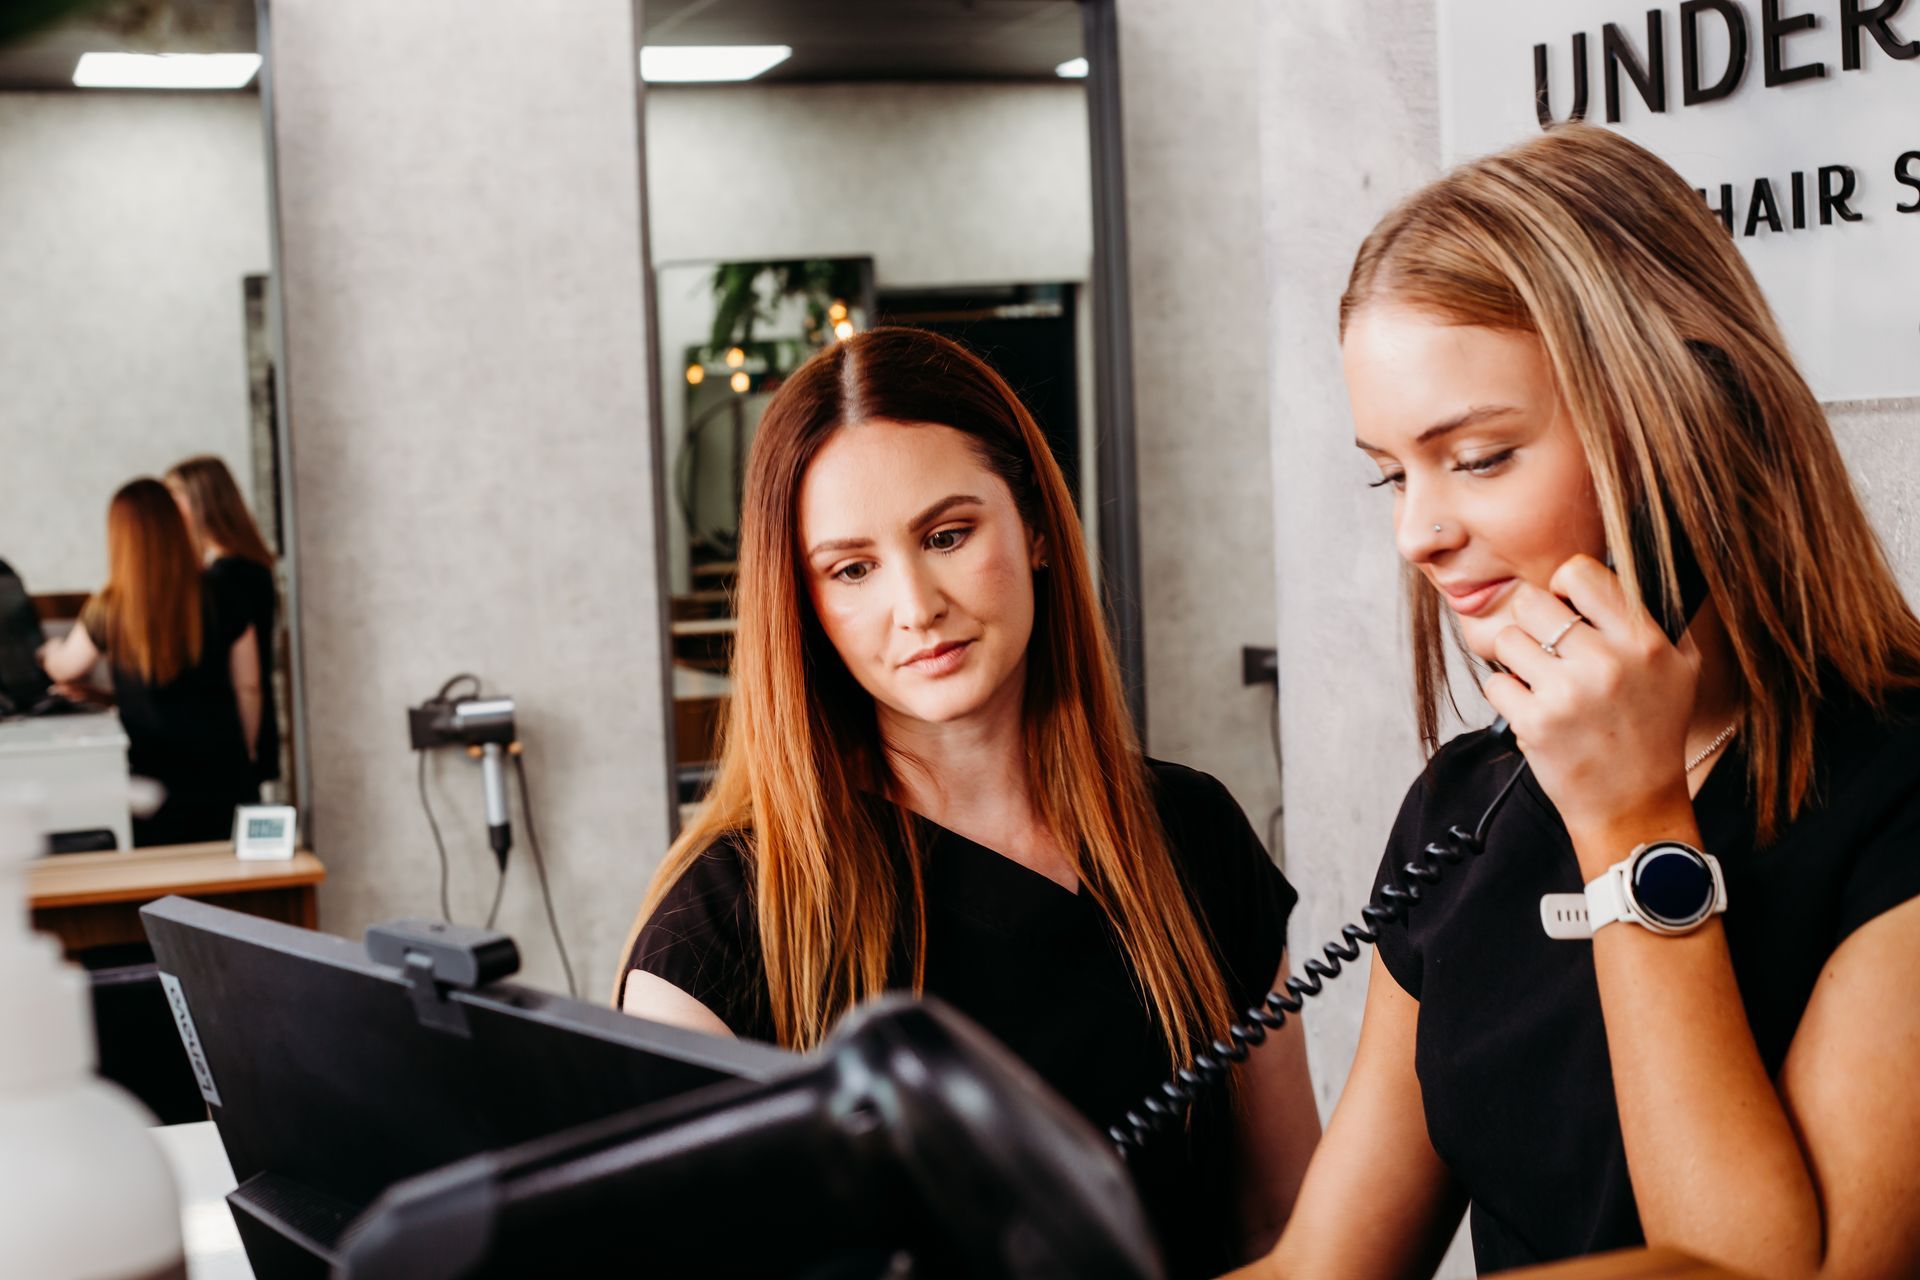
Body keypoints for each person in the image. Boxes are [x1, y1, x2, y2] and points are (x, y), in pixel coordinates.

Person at [1234, 124, 1920, 1280]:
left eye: (1482, 455)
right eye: (1393, 471)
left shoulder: (1894, 793)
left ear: (1694, 425)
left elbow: (1769, 1271)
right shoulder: (1468, 806)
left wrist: (1632, 823)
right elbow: (1324, 1266)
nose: (1420, 533)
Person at [618, 326, 1320, 1276]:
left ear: (1034, 528)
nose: (916, 605)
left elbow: (1287, 1228)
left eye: (947, 536)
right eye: (851, 569)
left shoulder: (1194, 837)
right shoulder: (721, 928)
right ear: (805, 602)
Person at [39, 479, 261, 846]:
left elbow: (64, 668)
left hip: (151, 788)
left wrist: (47, 652)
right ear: (177, 525)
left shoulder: (109, 606)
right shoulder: (225, 595)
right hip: (221, 777)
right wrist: (246, 752)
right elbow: (248, 687)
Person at [165, 455, 280, 785]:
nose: (169, 511)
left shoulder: (226, 578)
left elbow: (246, 680)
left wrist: (244, 744)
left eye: (175, 498)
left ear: (201, 501)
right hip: (244, 722)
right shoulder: (250, 568)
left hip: (236, 724)